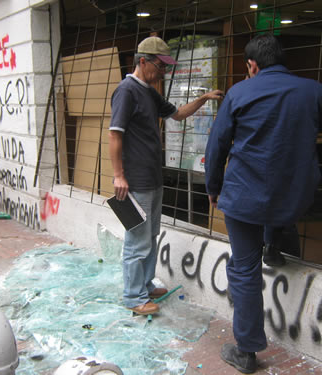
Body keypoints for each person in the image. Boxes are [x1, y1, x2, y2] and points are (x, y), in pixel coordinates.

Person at [204, 34, 322, 373]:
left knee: (244, 269)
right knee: (277, 200)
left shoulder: (239, 92)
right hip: (293, 197)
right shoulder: (312, 91)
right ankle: (273, 244)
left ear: (252, 66)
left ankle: (247, 351)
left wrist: (214, 187)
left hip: (244, 197)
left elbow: (217, 146)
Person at [109, 36, 223, 316]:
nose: (164, 72)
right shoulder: (127, 91)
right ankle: (134, 297)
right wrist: (118, 175)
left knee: (150, 236)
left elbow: (178, 114)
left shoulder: (149, 91)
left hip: (153, 177)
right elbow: (115, 134)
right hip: (135, 180)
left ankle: (145, 285)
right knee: (137, 240)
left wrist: (204, 97)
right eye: (161, 66)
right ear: (143, 61)